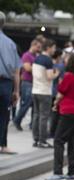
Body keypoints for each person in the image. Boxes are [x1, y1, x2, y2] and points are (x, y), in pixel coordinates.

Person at [45, 53, 74, 180]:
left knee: (58, 140)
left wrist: (55, 105)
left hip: (68, 111)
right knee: (72, 141)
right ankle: (72, 172)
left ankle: (58, 172)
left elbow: (60, 93)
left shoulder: (69, 76)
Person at [0, 11, 22, 154]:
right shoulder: (10, 43)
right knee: (3, 116)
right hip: (5, 84)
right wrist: (16, 91)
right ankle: (2, 144)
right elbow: (16, 71)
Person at [32, 39, 60, 148]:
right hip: (44, 91)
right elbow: (49, 77)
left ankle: (36, 139)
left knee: (36, 115)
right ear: (48, 48)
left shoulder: (37, 58)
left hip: (35, 90)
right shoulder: (48, 60)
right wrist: (56, 74)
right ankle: (42, 140)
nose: (54, 50)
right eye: (53, 47)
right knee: (44, 117)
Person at [13, 39, 42, 131]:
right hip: (27, 82)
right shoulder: (27, 55)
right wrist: (39, 68)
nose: (39, 49)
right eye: (37, 47)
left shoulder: (35, 56)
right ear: (33, 45)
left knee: (34, 105)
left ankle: (32, 124)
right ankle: (17, 120)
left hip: (34, 83)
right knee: (26, 103)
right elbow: (27, 68)